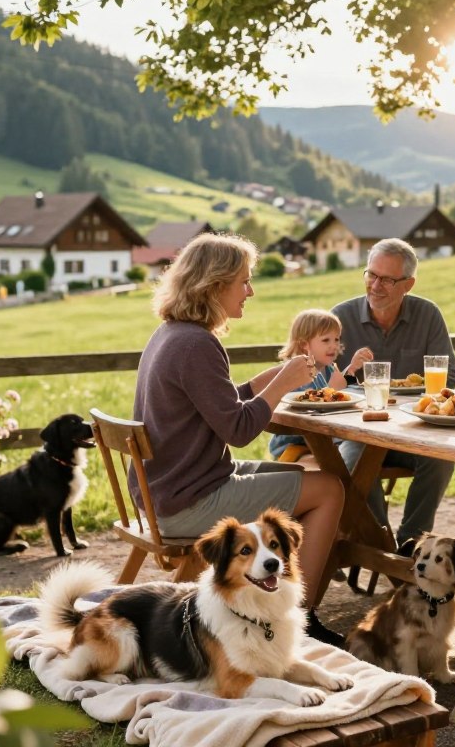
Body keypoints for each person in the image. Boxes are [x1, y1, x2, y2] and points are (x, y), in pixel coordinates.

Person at [130, 233, 346, 645]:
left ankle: (255, 604)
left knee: (300, 477)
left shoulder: (172, 333)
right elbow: (240, 430)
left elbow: (216, 405)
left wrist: (262, 382)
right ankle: (301, 618)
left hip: (170, 491)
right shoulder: (196, 344)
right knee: (330, 490)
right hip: (188, 500)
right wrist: (282, 384)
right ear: (215, 285)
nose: (250, 291)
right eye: (244, 281)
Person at [332, 238, 455, 551]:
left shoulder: (427, 314)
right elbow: (324, 385)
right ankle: (382, 542)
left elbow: (450, 378)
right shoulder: (340, 318)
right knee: (355, 465)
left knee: (441, 459)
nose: (375, 286)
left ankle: (410, 542)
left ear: (408, 284)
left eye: (387, 280)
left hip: (410, 431)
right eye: (371, 275)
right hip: (358, 432)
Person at [269, 309, 373, 465]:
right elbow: (306, 406)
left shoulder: (328, 368)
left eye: (336, 339)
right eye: (326, 340)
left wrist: (351, 369)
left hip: (325, 439)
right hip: (294, 445)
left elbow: (339, 391)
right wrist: (331, 390)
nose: (334, 346)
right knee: (341, 463)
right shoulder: (296, 371)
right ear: (304, 344)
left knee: (360, 453)